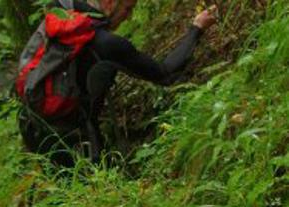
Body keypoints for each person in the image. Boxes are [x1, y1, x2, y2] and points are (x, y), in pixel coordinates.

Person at [17, 0, 218, 166]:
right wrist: (196, 28)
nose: (129, 16)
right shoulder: (107, 44)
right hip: (76, 141)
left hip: (34, 128)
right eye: (128, 8)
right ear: (111, 3)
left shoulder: (63, 18)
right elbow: (165, 74)